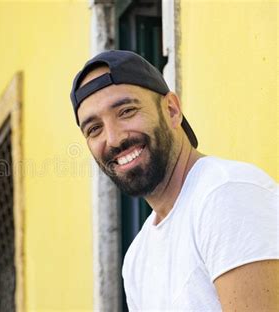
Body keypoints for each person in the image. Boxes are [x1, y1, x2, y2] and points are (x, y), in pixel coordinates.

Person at [70, 50, 279, 310]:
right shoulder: (137, 259)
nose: (113, 139)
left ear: (171, 110)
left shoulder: (226, 195)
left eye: (126, 111)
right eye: (94, 129)